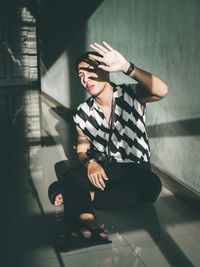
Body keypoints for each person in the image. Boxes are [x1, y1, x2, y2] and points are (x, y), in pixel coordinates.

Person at [49, 41, 168, 242]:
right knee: (73, 174)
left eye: (89, 71)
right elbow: (82, 146)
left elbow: (161, 90)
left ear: (105, 70)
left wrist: (126, 68)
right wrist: (90, 163)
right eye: (80, 76)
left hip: (135, 169)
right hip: (106, 168)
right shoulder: (82, 112)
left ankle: (79, 195)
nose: (85, 79)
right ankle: (86, 221)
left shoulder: (131, 95)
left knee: (153, 186)